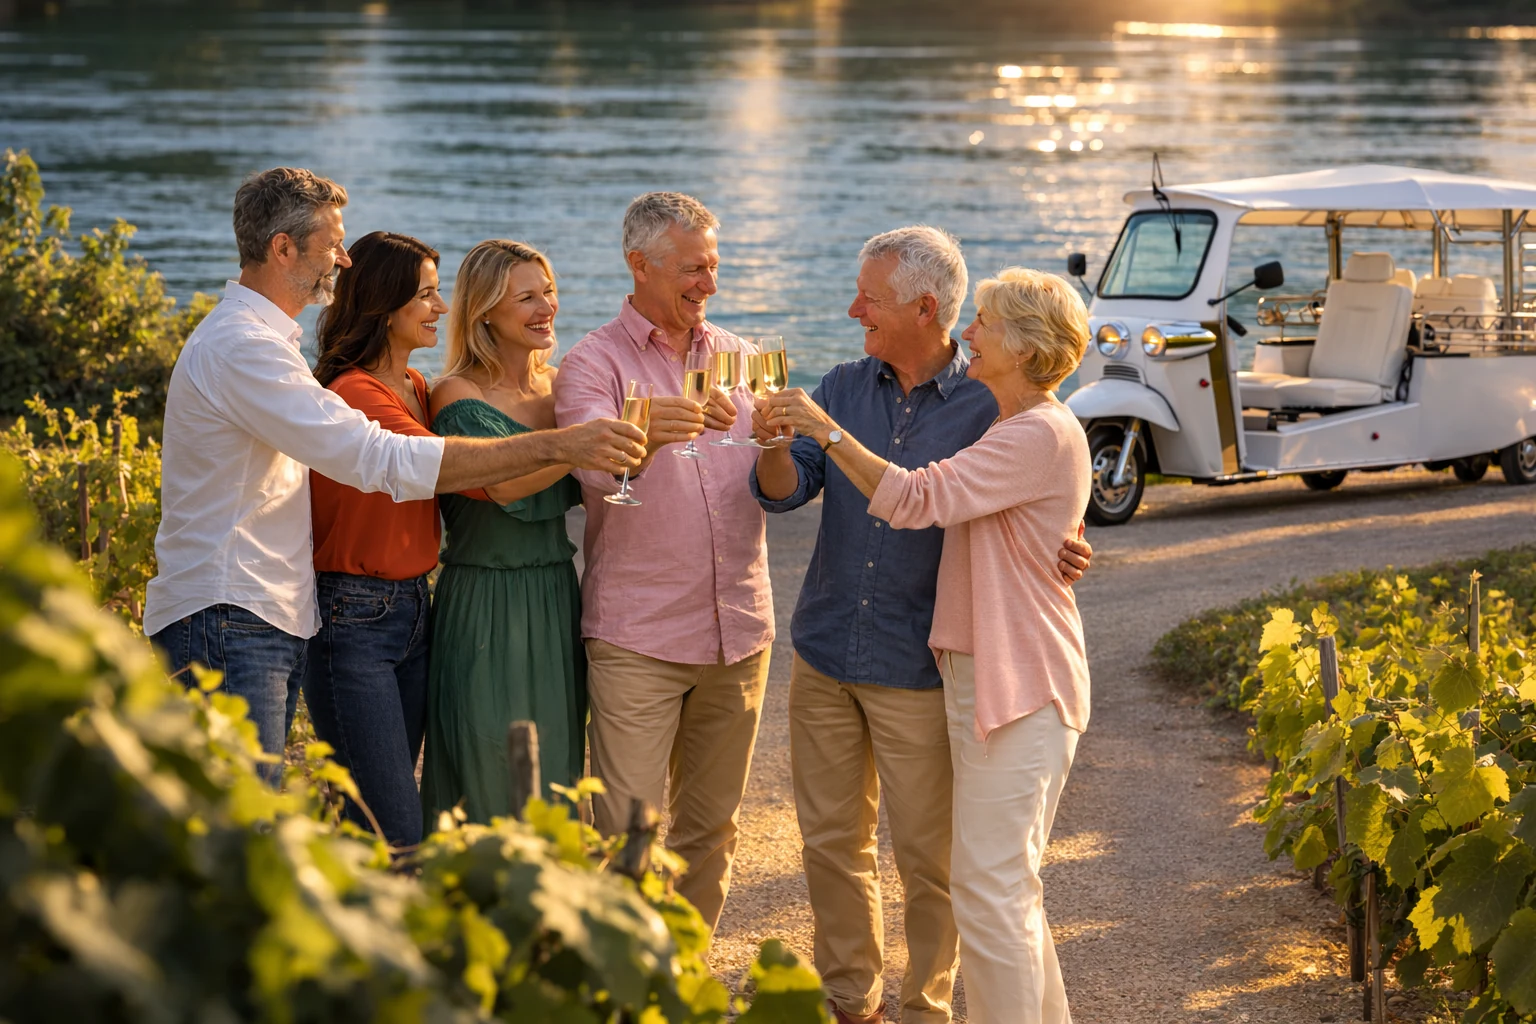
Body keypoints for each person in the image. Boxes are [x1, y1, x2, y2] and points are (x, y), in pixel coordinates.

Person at [144, 167, 646, 781]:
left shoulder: (271, 346)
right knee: (239, 825)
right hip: (229, 611)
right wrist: (565, 444)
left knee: (274, 820)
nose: (343, 260)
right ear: (282, 248)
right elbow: (378, 457)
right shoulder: (241, 347)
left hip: (267, 609)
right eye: (332, 244)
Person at [751, 228, 1091, 1024]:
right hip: (838, 644)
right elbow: (785, 490)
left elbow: (933, 496)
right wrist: (777, 442)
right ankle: (851, 1001)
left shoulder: (1000, 409)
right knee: (951, 871)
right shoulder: (844, 383)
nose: (851, 310)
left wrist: (1068, 539)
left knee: (962, 875)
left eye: (869, 298)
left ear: (923, 306)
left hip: (942, 667)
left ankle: (928, 1006)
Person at [553, 191, 765, 935]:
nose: (708, 283)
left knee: (712, 835)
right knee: (628, 838)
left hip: (739, 634)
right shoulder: (589, 363)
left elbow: (773, 473)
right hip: (637, 639)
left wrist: (788, 442)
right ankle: (625, 992)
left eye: (713, 266)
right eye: (691, 268)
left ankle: (683, 977)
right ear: (638, 265)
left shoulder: (741, 356)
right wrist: (650, 437)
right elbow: (591, 475)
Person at [420, 240, 587, 826]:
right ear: (485, 310)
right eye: (527, 297)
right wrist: (585, 445)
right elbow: (506, 486)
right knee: (488, 766)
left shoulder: (566, 388)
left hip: (555, 595)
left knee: (560, 770)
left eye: (549, 293)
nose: (546, 308)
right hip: (485, 602)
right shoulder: (457, 395)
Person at [302, 231, 448, 849]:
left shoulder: (415, 386)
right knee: (394, 831)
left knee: (366, 817)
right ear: (384, 307)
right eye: (427, 295)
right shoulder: (354, 395)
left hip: (414, 606)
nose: (440, 307)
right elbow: (439, 463)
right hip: (353, 617)